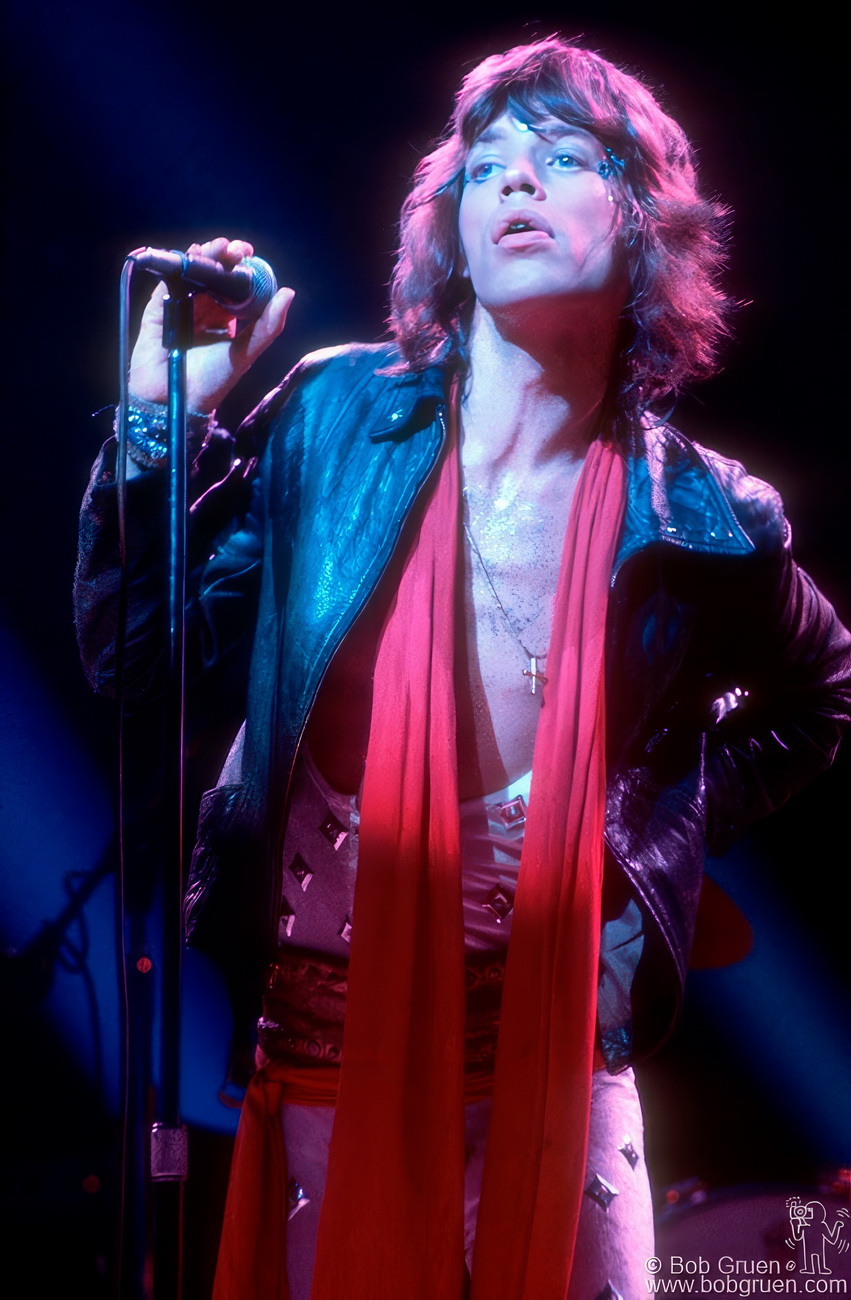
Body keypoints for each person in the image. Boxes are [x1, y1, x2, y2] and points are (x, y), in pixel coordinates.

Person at [75, 36, 851, 1300]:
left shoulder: (704, 513)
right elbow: (135, 655)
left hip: (556, 1054)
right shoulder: (332, 420)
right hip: (324, 1051)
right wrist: (165, 419)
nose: (515, 184)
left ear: (643, 220)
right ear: (452, 228)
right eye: (484, 167)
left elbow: (818, 697)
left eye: (562, 158)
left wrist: (645, 819)